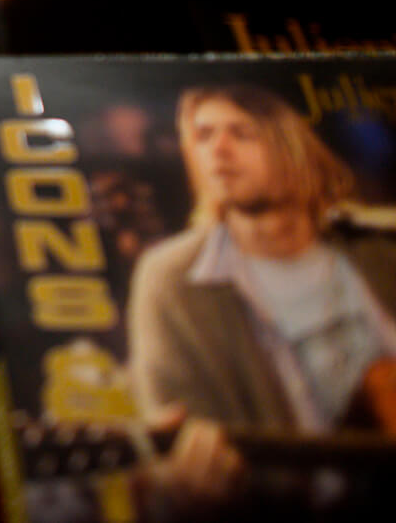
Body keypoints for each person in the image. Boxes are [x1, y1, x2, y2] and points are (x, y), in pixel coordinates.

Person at [126, 82, 396, 513]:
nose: (219, 149)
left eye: (242, 133)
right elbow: (168, 442)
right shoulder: (171, 280)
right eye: (203, 135)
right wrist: (180, 485)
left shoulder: (378, 245)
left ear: (293, 145)